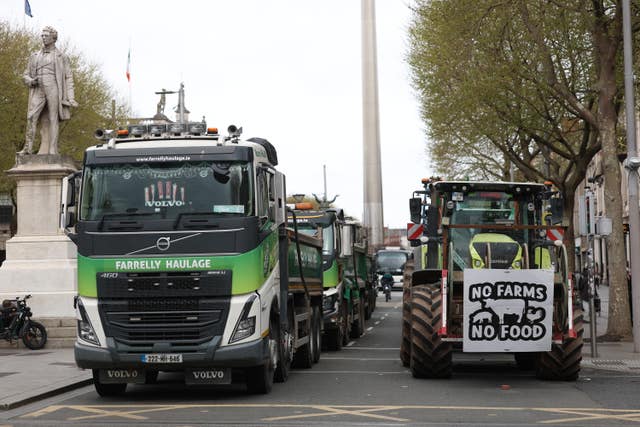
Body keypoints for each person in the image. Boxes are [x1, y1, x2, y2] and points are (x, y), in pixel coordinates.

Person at [19, 26, 78, 155]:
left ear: (53, 38)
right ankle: (27, 148)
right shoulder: (34, 56)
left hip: (53, 87)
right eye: (42, 35)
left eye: (46, 35)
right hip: (38, 87)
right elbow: (25, 74)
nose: (43, 37)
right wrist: (30, 81)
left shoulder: (62, 57)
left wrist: (71, 97)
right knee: (31, 117)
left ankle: (52, 149)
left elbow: (68, 77)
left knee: (53, 118)